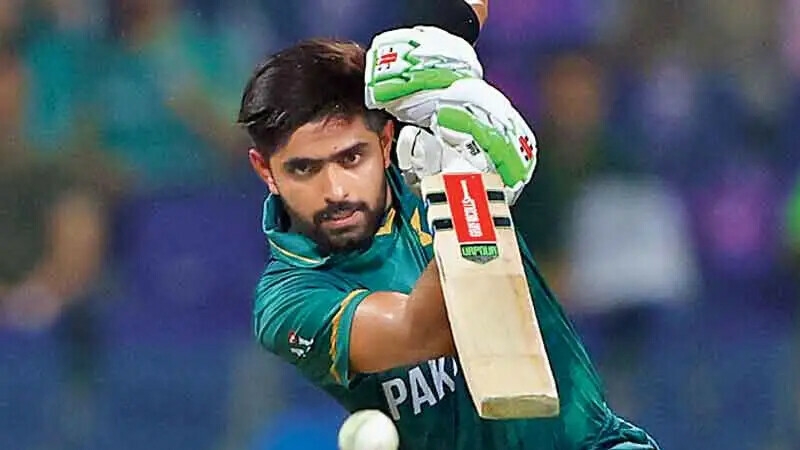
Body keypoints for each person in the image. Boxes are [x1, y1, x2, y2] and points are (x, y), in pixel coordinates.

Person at [237, 2, 659, 448]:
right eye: (304, 169)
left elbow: (467, 10)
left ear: (385, 141)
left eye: (351, 158)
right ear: (265, 170)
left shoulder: (424, 136)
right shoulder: (288, 300)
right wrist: (470, 194)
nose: (336, 191)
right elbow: (425, 330)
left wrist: (448, 29)